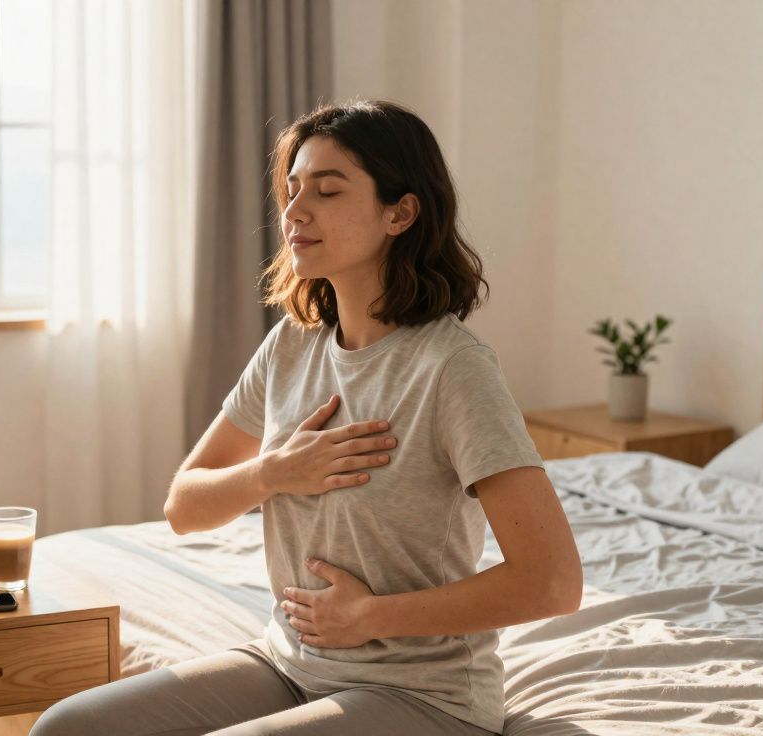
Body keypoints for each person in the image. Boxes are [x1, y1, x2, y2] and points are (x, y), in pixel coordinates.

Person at [29, 99, 583, 735]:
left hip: (424, 695)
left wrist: (371, 618)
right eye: (292, 191)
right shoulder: (293, 344)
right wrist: (273, 473)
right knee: (66, 728)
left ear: (400, 212)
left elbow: (553, 583)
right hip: (288, 663)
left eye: (326, 190)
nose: (294, 212)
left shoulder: (451, 368)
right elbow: (185, 507)